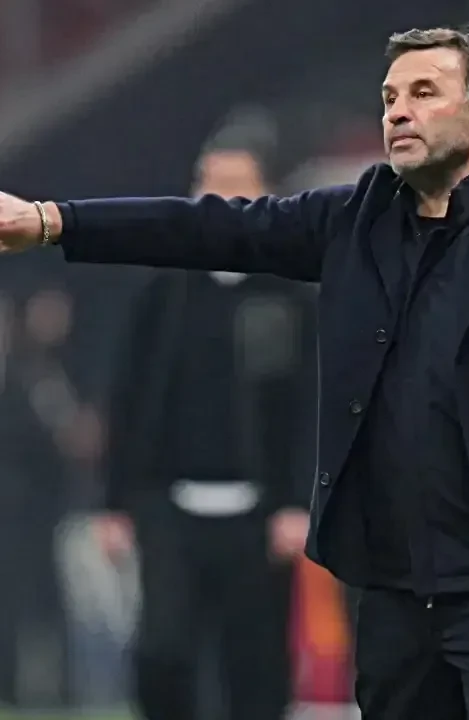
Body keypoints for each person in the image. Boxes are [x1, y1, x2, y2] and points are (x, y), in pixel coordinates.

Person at [0, 26, 469, 720]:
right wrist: (54, 221)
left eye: (424, 93)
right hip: (390, 587)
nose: (399, 111)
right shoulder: (355, 221)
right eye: (390, 97)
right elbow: (204, 228)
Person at [95, 139, 317, 720]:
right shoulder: (161, 290)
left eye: (235, 185)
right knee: (163, 652)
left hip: (260, 514)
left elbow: (310, 407)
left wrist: (299, 501)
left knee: (256, 667)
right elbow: (128, 397)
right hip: (169, 506)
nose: (219, 200)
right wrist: (113, 502)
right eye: (208, 185)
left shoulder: (291, 294)